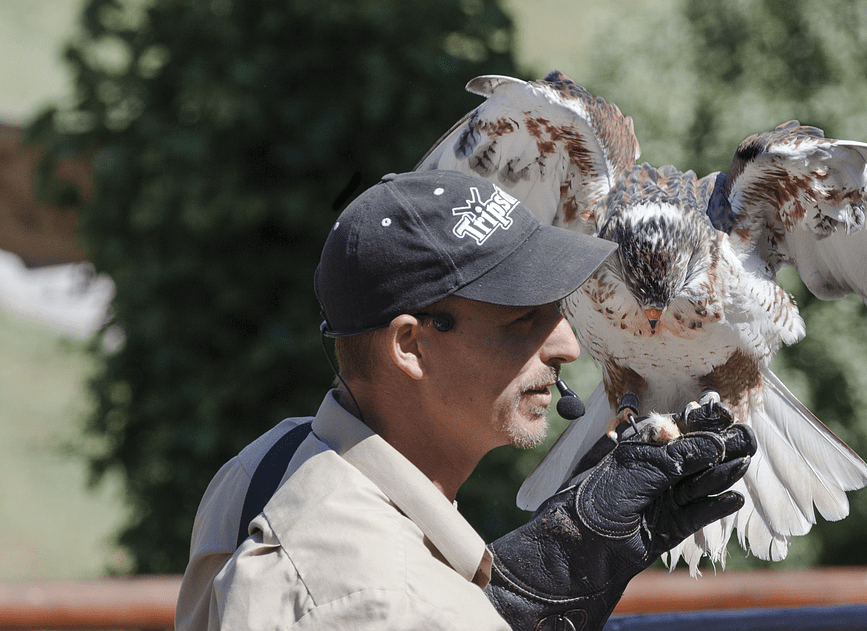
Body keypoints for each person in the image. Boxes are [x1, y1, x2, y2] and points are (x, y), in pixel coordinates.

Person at [175, 169, 756, 631]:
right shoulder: (389, 603)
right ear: (410, 345)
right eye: (522, 319)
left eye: (558, 310)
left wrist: (562, 563)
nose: (568, 345)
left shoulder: (265, 466)